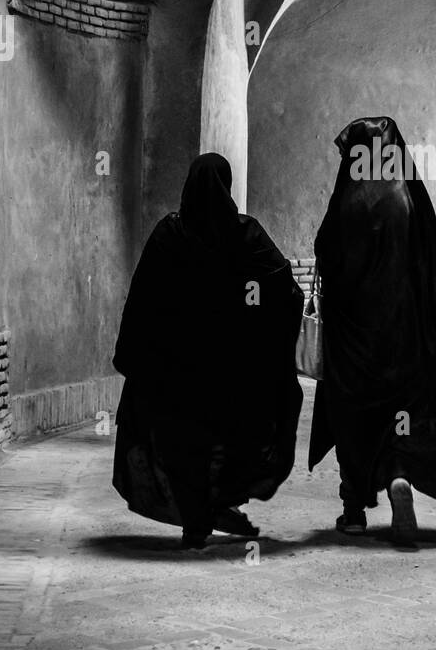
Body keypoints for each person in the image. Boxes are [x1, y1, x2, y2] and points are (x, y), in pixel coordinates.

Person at [112, 152, 304, 549]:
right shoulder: (245, 234)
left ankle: (197, 520)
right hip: (232, 371)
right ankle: (216, 505)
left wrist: (137, 355)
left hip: (176, 370)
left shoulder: (169, 234)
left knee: (183, 444)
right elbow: (283, 287)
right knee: (231, 439)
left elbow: (143, 297)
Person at [308, 116, 436, 542]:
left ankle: (353, 508)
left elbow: (325, 254)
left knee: (353, 419)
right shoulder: (408, 196)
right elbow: (431, 267)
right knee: (401, 416)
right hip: (405, 339)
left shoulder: (347, 201)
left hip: (353, 343)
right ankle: (399, 475)